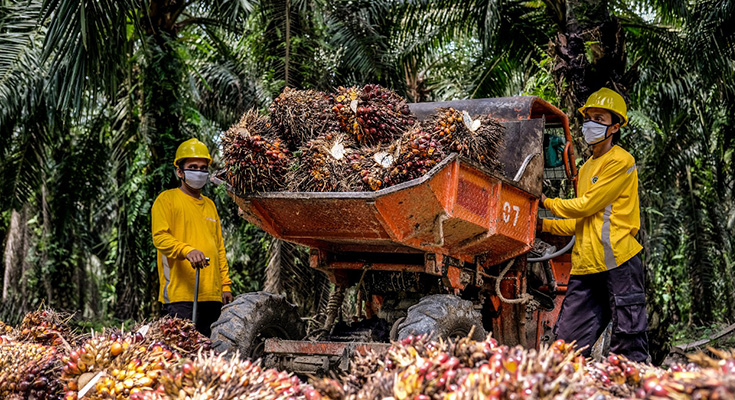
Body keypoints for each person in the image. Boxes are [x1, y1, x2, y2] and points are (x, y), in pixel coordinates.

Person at [540, 88, 649, 362]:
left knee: (628, 342)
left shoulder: (622, 162)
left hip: (618, 262)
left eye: (599, 118)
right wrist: (543, 226)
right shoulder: (587, 166)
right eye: (588, 117)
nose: (591, 124)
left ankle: (630, 389)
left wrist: (547, 203)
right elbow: (581, 220)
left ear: (615, 126)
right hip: (587, 265)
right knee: (566, 349)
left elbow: (587, 205)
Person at [152, 138, 233, 336]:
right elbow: (160, 238)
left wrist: (225, 285)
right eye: (193, 167)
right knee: (182, 353)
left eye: (203, 168)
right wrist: (187, 251)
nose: (199, 172)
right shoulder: (167, 200)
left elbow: (218, 248)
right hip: (181, 297)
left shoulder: (210, 205)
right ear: (180, 171)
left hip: (212, 296)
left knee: (209, 355)